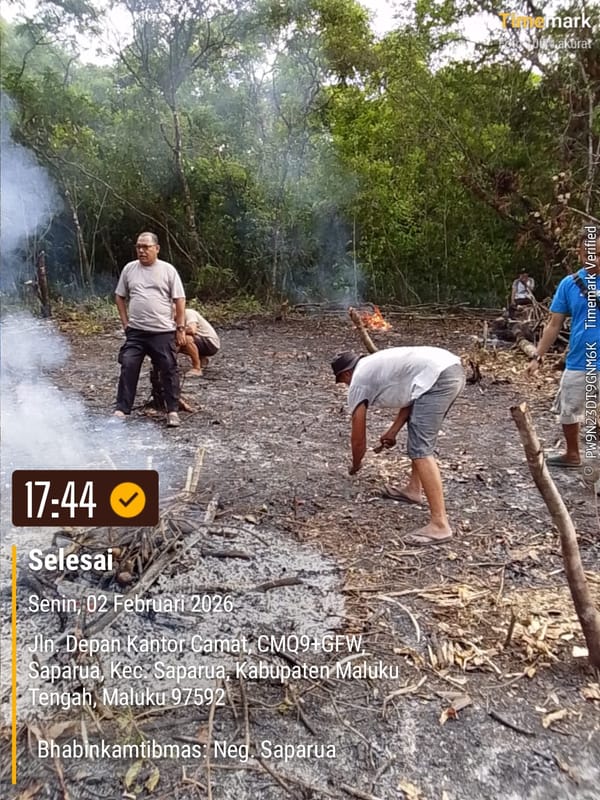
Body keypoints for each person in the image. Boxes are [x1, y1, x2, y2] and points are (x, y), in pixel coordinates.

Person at [332, 346, 465, 544]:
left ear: (346, 373)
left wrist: (356, 464)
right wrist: (393, 430)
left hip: (439, 378)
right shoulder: (374, 365)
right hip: (448, 369)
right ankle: (413, 490)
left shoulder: (358, 380)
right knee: (419, 439)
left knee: (420, 449)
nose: (346, 387)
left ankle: (440, 524)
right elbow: (414, 393)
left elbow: (358, 437)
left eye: (343, 382)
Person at [527, 226, 599, 467]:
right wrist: (537, 356)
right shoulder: (570, 284)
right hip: (580, 360)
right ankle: (572, 453)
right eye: (588, 255)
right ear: (579, 255)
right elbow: (553, 324)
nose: (594, 260)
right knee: (568, 407)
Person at [113, 232, 187, 427]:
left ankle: (172, 410)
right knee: (128, 365)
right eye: (138, 247)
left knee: (169, 369)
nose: (141, 251)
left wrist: (180, 328)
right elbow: (119, 296)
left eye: (146, 247)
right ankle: (122, 408)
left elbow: (179, 300)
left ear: (156, 248)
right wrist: (125, 322)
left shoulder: (167, 270)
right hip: (136, 331)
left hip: (162, 331)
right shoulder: (130, 269)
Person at [178, 308, 221, 376]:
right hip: (200, 340)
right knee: (173, 341)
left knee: (186, 339)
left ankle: (197, 368)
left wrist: (177, 331)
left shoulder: (188, 313)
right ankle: (201, 359)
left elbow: (192, 330)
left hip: (211, 343)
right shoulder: (171, 319)